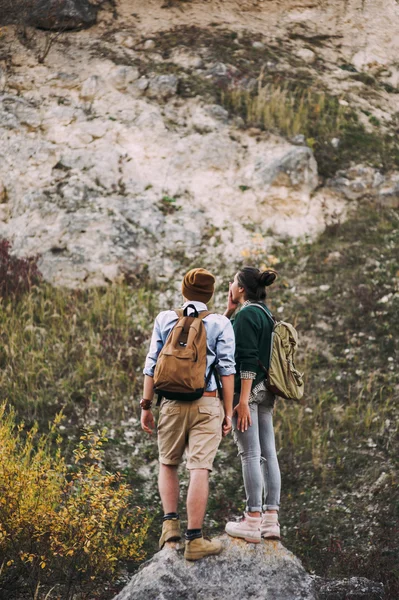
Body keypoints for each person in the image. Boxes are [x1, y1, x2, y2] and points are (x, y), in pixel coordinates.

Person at [141, 268, 236, 560]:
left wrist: (146, 405)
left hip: (169, 403)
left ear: (183, 291)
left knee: (168, 463)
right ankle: (195, 540)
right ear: (210, 295)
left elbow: (151, 364)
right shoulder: (220, 323)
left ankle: (170, 528)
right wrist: (227, 412)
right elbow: (227, 369)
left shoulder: (166, 318)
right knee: (199, 469)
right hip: (207, 402)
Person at [224, 266, 281, 543]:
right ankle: (271, 519)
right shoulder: (266, 313)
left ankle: (252, 519)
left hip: (247, 391)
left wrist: (242, 400)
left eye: (233, 282)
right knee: (268, 453)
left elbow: (246, 359)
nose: (231, 286)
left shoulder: (246, 314)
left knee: (250, 454)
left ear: (241, 288)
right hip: (267, 390)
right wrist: (229, 310)